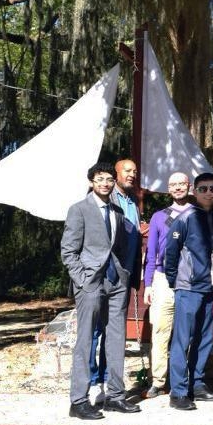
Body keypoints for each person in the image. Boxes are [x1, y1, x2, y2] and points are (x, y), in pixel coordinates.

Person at [61, 162, 141, 419]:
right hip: (91, 283)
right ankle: (79, 400)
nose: (105, 183)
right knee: (85, 340)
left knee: (117, 340)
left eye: (108, 179)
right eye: (100, 179)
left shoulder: (117, 210)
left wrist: (124, 275)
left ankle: (115, 396)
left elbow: (118, 246)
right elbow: (68, 251)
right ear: (91, 182)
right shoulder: (79, 210)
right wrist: (83, 280)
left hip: (116, 281)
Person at [164, 172, 213, 410]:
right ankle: (178, 392)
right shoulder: (185, 217)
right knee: (182, 339)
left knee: (204, 338)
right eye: (203, 189)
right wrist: (174, 280)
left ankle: (197, 385)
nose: (208, 192)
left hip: (211, 288)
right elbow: (171, 251)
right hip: (188, 287)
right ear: (194, 191)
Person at [88, 157, 142, 405]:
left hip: (124, 274)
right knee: (95, 331)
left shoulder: (132, 203)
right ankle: (92, 382)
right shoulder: (106, 199)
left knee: (114, 332)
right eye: (127, 171)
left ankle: (110, 383)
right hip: (102, 276)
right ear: (115, 174)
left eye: (134, 171)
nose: (131, 175)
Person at [142, 171, 192, 399]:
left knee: (186, 333)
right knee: (161, 331)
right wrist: (149, 284)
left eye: (182, 183)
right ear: (168, 189)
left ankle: (182, 379)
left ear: (189, 186)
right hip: (163, 279)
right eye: (174, 185)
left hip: (189, 279)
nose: (178, 188)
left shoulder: (197, 214)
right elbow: (150, 253)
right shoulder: (159, 217)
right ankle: (158, 380)